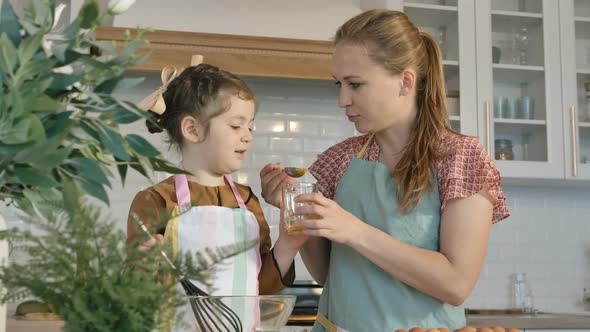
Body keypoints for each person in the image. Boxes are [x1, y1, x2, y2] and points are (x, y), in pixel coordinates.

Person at [259, 9, 510, 331]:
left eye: (356, 84)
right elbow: (330, 276)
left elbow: (456, 284)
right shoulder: (338, 160)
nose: (342, 99)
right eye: (339, 84)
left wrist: (354, 230)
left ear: (405, 82)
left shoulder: (460, 158)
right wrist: (294, 210)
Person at [127, 63, 301, 330]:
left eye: (250, 127)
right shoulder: (157, 200)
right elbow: (134, 295)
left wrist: (288, 244)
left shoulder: (247, 201)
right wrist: (144, 269)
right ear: (193, 130)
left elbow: (260, 286)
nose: (247, 137)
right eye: (235, 126)